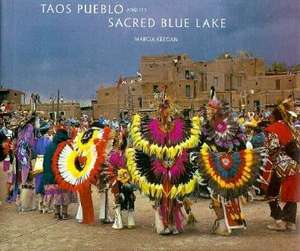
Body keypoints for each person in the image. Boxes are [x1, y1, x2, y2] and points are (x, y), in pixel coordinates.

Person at [126, 88, 201, 235]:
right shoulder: (154, 127)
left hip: (175, 167)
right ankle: (163, 225)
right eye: (164, 108)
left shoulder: (177, 127)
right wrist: (136, 120)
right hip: (159, 168)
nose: (166, 112)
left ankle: (173, 224)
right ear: (160, 110)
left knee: (174, 197)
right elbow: (147, 144)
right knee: (162, 197)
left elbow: (186, 142)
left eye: (168, 108)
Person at [264, 103, 300, 231]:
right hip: (296, 164)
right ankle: (290, 222)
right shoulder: (291, 127)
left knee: (271, 193)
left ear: (274, 116)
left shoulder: (272, 129)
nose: (269, 118)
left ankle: (279, 221)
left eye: (270, 116)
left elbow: (272, 148)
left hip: (281, 165)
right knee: (292, 193)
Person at [42, 128, 76, 220]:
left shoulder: (50, 146)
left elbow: (45, 162)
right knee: (65, 194)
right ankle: (64, 213)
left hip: (50, 175)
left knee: (55, 194)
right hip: (63, 175)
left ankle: (57, 213)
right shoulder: (66, 146)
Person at [106, 128, 136, 229]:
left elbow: (110, 168)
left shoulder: (114, 155)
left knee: (119, 197)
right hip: (125, 179)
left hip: (118, 179)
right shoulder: (128, 154)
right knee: (129, 196)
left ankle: (119, 222)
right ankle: (129, 221)